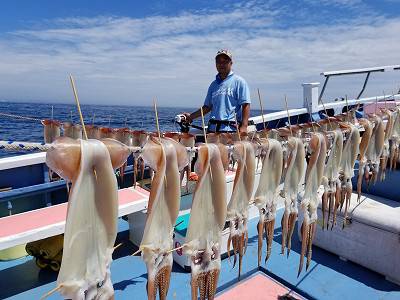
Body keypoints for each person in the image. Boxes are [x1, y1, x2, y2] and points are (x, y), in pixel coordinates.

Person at [183, 49, 251, 133]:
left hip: (230, 130)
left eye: (225, 61)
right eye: (218, 61)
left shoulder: (239, 82)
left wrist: (244, 126)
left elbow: (246, 105)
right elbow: (207, 107)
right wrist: (191, 117)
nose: (221, 64)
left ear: (231, 63)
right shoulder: (213, 85)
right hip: (212, 130)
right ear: (215, 64)